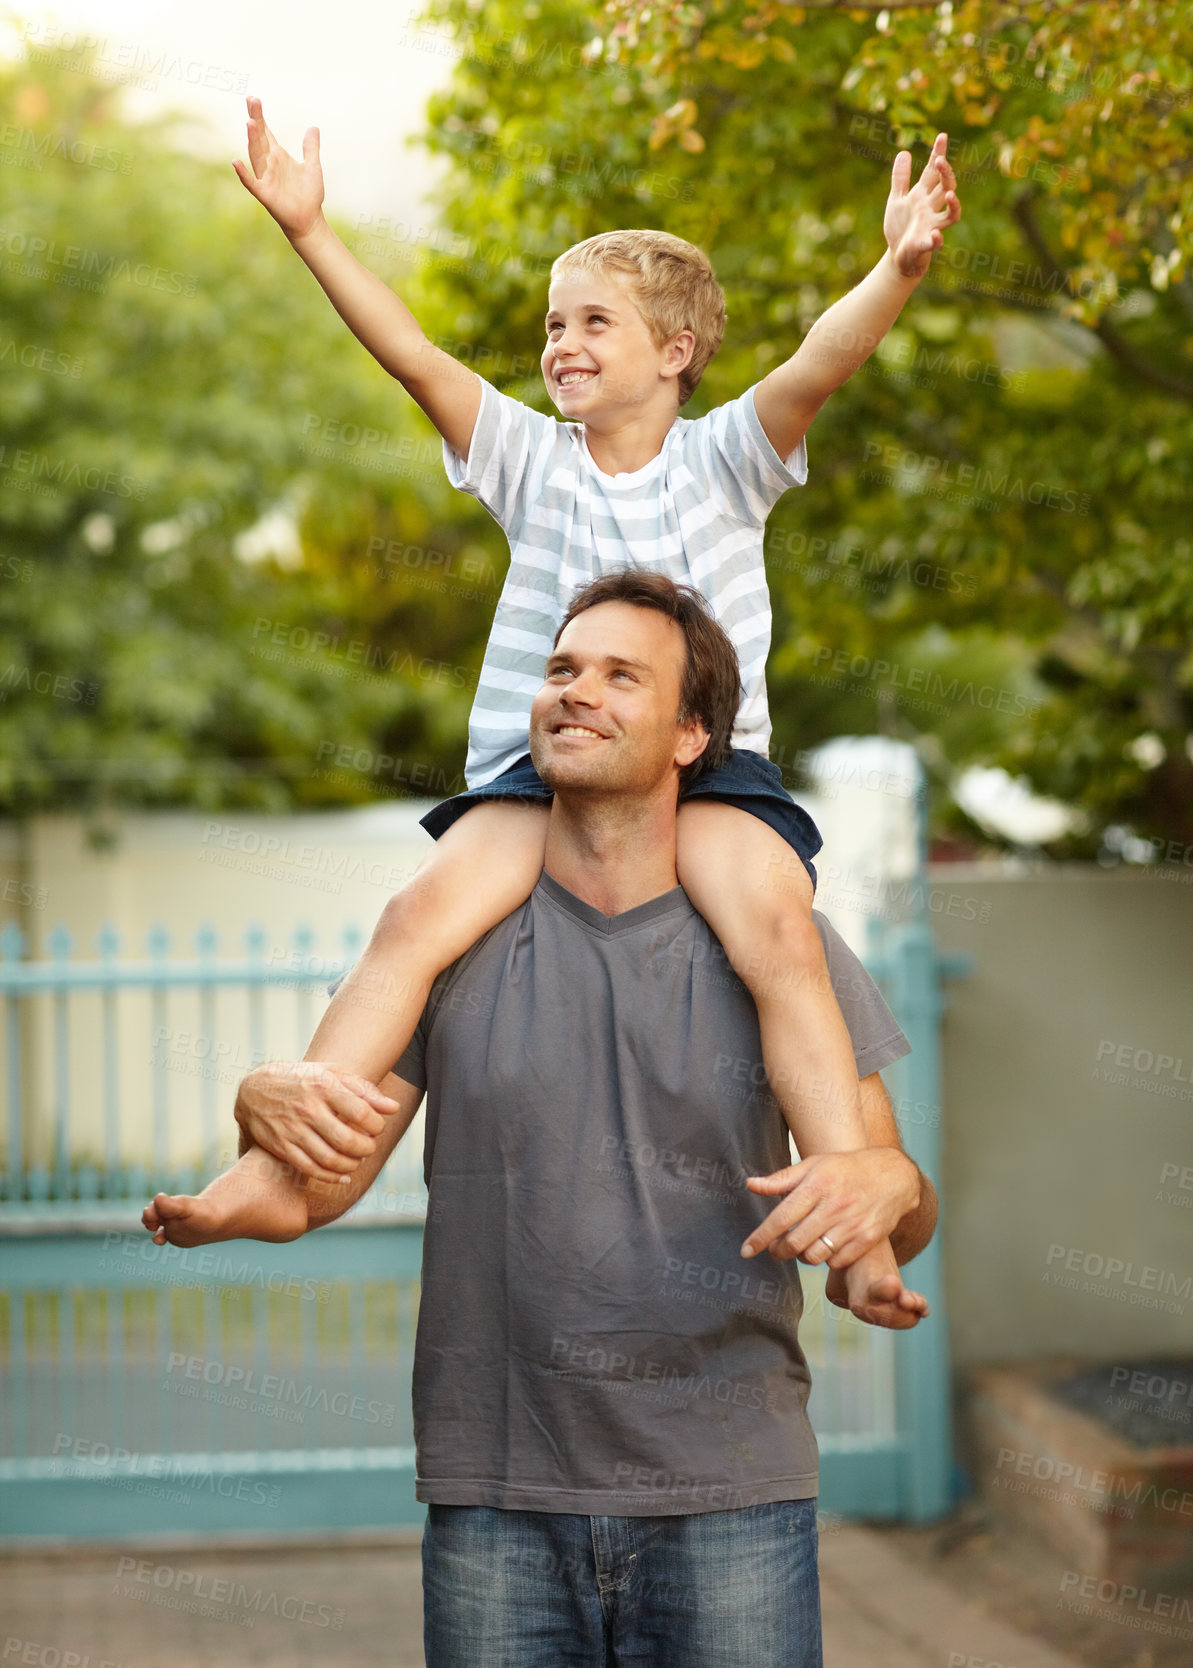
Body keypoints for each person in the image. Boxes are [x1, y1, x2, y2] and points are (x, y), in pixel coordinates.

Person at [229, 101, 960, 1313]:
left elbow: (822, 359)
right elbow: (411, 354)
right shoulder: (527, 458)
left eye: (594, 324)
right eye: (553, 324)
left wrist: (893, 268)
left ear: (675, 350)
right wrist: (312, 231)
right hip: (537, 774)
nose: (562, 343)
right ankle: (277, 1176)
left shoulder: (730, 460)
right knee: (417, 919)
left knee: (780, 938)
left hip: (710, 766)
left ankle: (859, 1222)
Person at [144, 572, 937, 1667]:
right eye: (562, 668)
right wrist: (254, 1117)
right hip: (497, 1498)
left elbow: (888, 1195)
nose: (576, 691)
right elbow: (324, 1176)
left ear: (691, 735)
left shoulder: (778, 935)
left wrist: (888, 1195)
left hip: (730, 1497)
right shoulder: (457, 934)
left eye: (622, 676)